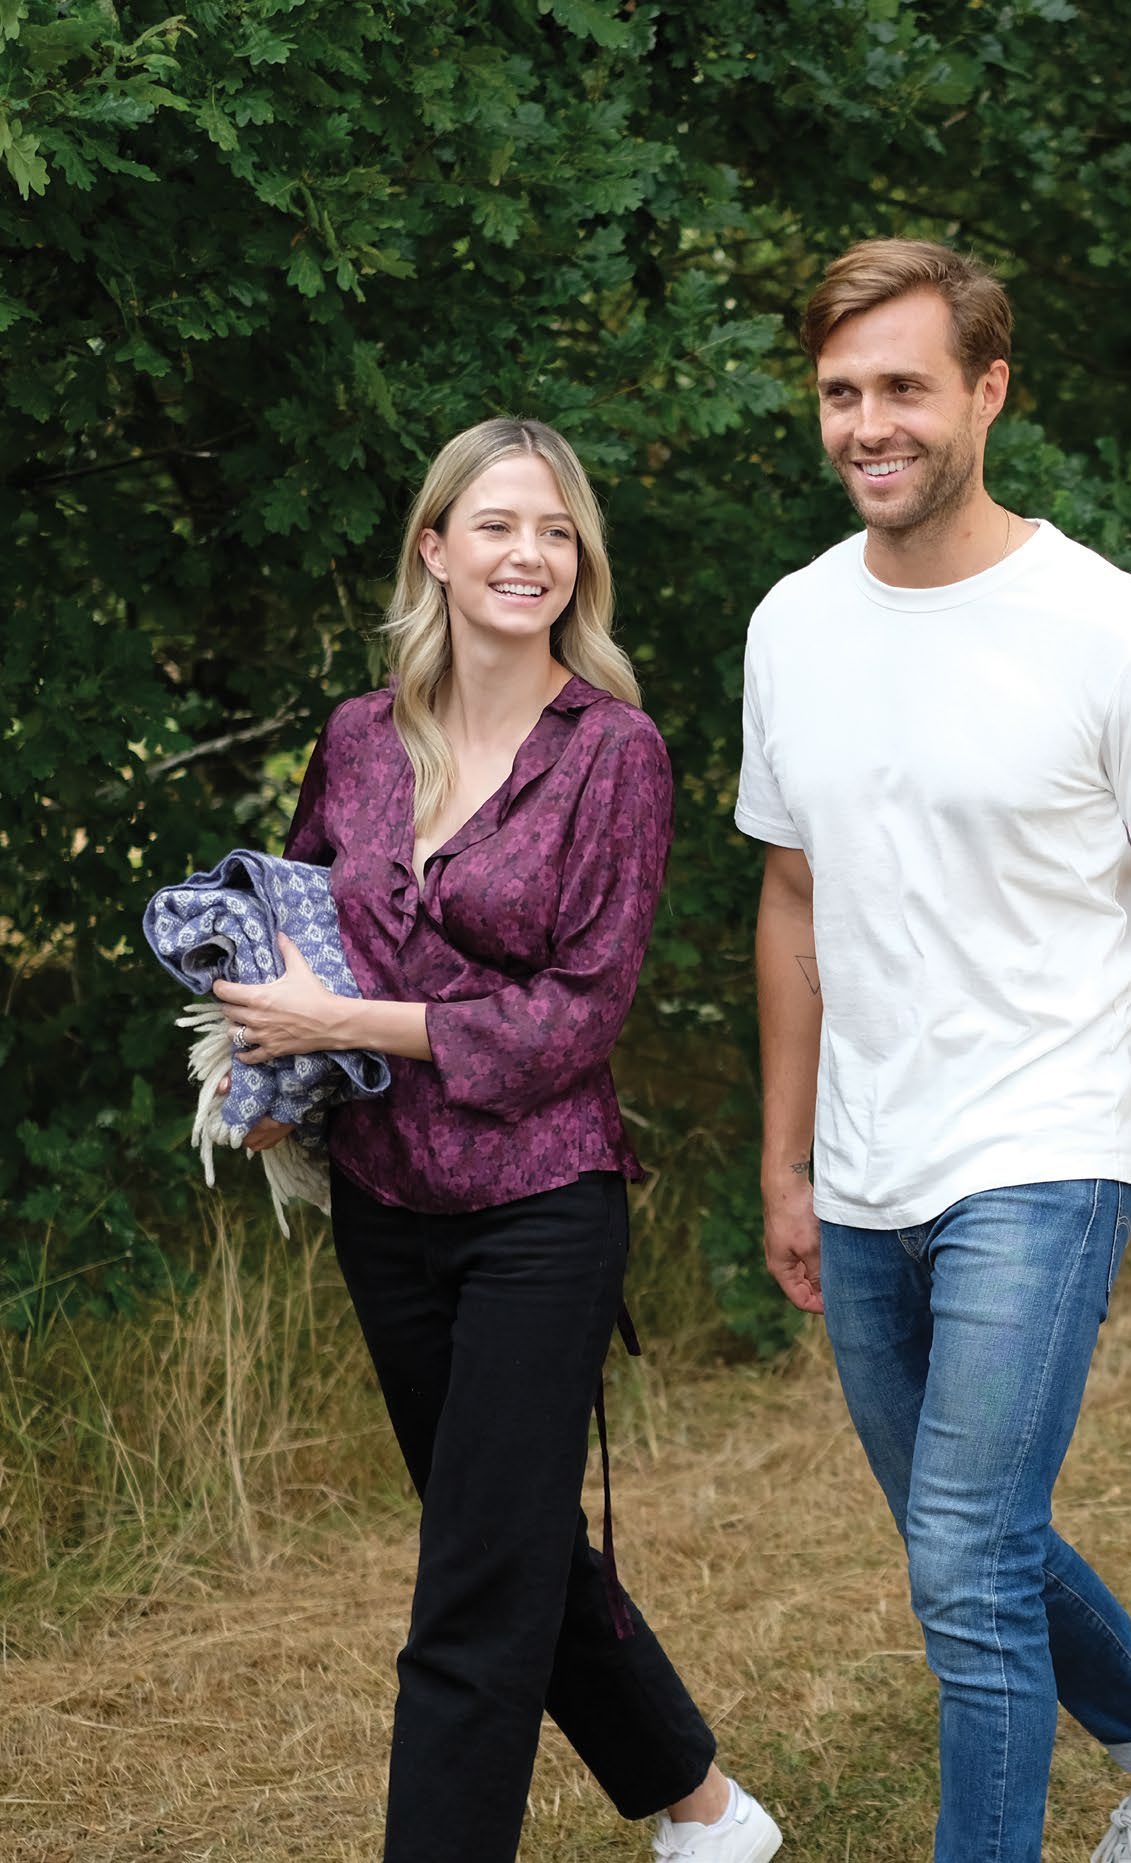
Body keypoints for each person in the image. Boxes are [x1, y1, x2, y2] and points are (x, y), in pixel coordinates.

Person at [738, 238, 1131, 1863]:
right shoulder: (792, 624)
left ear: (988, 391)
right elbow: (792, 897)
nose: (869, 423)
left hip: (1044, 1148)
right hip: (867, 1161)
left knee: (960, 1553)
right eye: (840, 393)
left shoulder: (1112, 630)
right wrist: (783, 1158)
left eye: (904, 388)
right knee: (972, 1540)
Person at [212, 417, 781, 1863]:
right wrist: (261, 1043)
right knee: (513, 1541)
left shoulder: (616, 756)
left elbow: (571, 1023)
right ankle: (705, 1815)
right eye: (497, 526)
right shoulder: (355, 738)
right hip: (384, 1203)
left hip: (543, 1206)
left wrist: (357, 1016)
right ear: (436, 548)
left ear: (577, 560)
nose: (529, 553)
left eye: (554, 531)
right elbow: (308, 930)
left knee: (470, 1590)